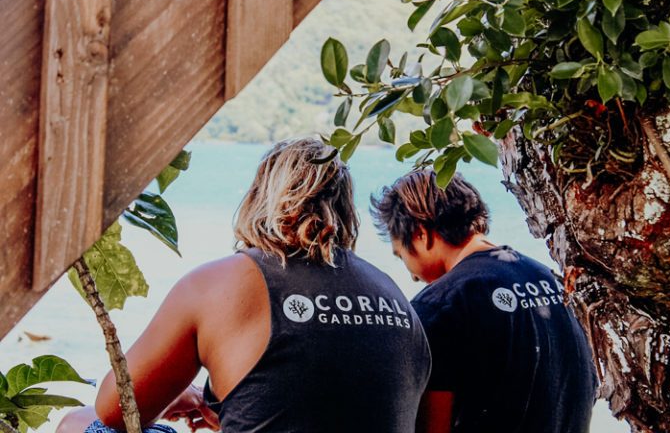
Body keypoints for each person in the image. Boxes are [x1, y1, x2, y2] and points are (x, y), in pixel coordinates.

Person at [58, 138, 431, 433]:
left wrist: (178, 393)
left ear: (260, 200)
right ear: (346, 209)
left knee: (76, 424)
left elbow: (114, 411)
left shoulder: (220, 282)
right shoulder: (392, 293)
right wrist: (222, 410)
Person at [370, 169, 597, 433]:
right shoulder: (547, 278)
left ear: (421, 234)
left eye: (401, 255)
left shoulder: (440, 307)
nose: (411, 275)